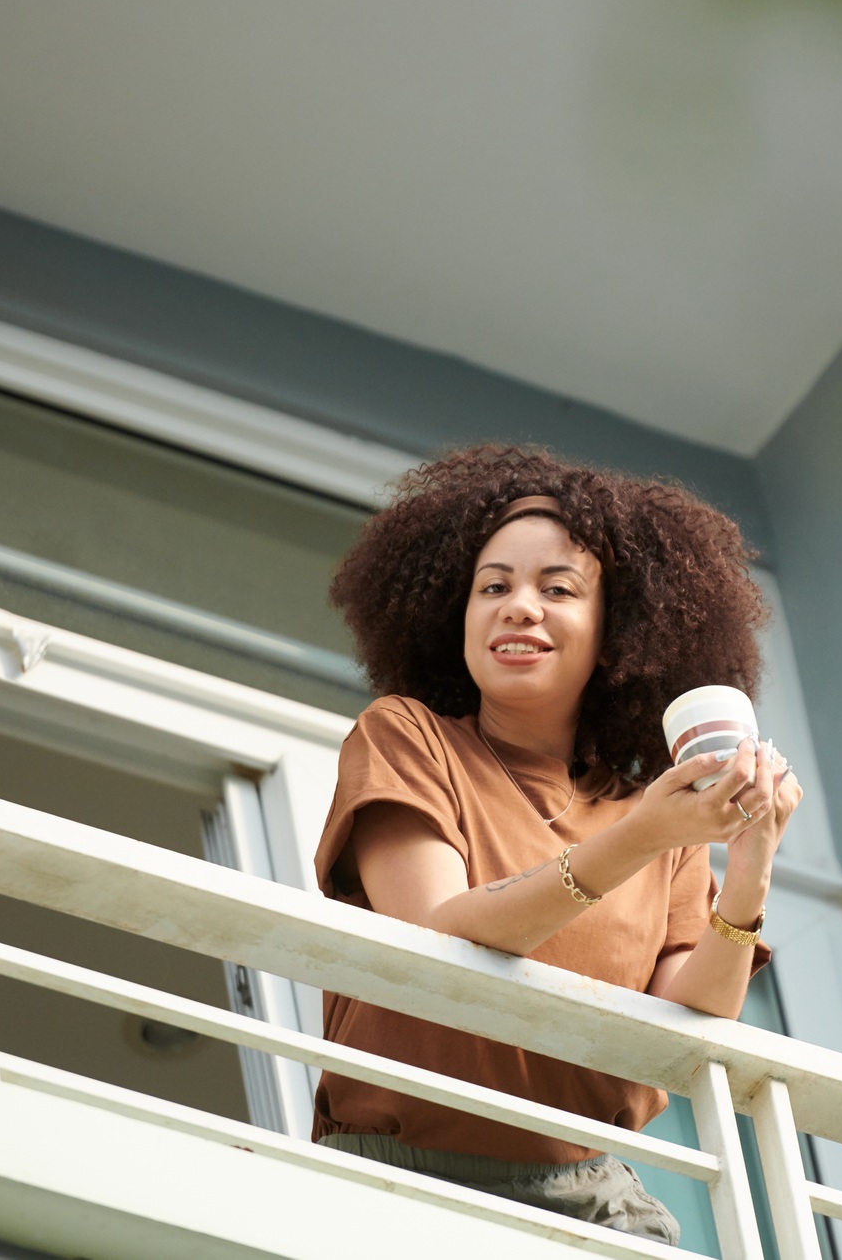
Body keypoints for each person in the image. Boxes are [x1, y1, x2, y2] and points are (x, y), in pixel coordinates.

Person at [313, 445, 803, 1244]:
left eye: (558, 588)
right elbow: (436, 930)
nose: (519, 606)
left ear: (617, 635)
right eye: (493, 586)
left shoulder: (655, 816)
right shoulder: (407, 736)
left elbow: (694, 1009)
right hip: (403, 1176)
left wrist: (748, 870)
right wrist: (640, 836)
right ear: (455, 615)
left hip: (591, 1196)